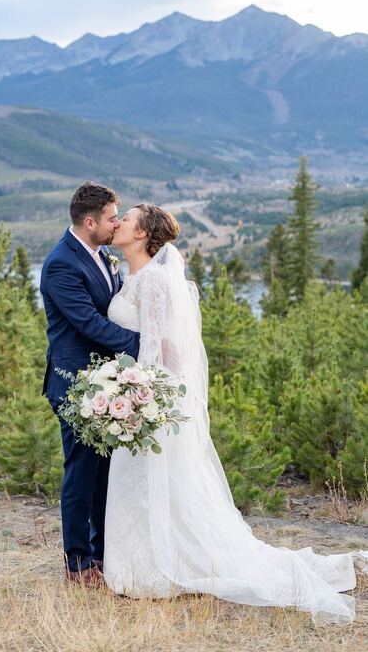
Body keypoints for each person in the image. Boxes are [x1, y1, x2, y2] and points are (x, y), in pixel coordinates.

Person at [103, 203, 368, 625]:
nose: (119, 224)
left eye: (127, 219)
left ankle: (161, 566)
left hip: (149, 396)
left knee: (156, 481)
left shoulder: (153, 279)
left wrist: (137, 392)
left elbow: (160, 347)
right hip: (135, 391)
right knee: (143, 482)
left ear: (141, 234)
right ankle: (139, 563)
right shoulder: (127, 274)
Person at [40, 182, 140, 586]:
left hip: (105, 384)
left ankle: (101, 554)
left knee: (104, 476)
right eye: (113, 217)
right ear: (89, 221)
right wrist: (141, 345)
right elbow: (89, 323)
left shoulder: (101, 255)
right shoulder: (62, 264)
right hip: (73, 383)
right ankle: (77, 563)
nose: (117, 222)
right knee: (81, 475)